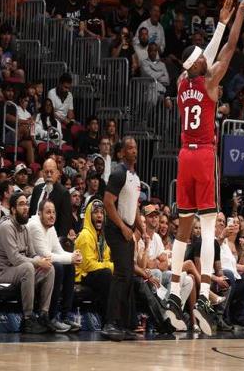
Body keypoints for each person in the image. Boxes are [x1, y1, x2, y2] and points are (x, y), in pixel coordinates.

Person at [166, 0, 244, 336]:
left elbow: (201, 57)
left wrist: (220, 22)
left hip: (184, 156)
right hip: (204, 155)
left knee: (182, 230)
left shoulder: (182, 84)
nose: (207, 58)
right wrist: (239, 13)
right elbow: (230, 47)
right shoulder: (209, 82)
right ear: (198, 65)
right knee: (208, 230)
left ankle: (173, 295)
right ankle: (205, 297)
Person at [0, 193, 55, 334]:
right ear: (13, 210)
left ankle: (43, 315)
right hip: (2, 272)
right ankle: (27, 319)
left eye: (26, 204)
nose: (26, 207)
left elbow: (32, 254)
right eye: (21, 204)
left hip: (19, 270)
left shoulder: (25, 228)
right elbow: (15, 258)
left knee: (49, 269)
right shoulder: (6, 227)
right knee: (28, 267)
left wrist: (42, 260)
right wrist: (37, 262)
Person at [101, 137, 142, 341]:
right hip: (116, 230)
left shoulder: (135, 177)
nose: (134, 150)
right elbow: (108, 203)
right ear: (122, 152)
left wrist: (140, 227)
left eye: (135, 147)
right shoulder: (118, 173)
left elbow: (134, 206)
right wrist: (123, 227)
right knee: (121, 274)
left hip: (128, 230)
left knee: (128, 276)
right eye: (130, 148)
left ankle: (124, 324)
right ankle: (110, 323)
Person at [27, 199, 83, 332]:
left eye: (53, 212)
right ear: (39, 213)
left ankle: (64, 316)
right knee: (57, 266)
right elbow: (46, 255)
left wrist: (73, 255)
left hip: (44, 266)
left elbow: (59, 251)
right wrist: (70, 258)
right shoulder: (34, 226)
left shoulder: (50, 227)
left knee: (69, 266)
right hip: (31, 267)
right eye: (48, 212)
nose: (52, 216)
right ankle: (51, 317)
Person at [75, 199, 113, 325]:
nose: (99, 215)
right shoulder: (85, 235)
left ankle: (121, 319)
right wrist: (111, 266)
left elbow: (106, 258)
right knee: (106, 274)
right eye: (96, 212)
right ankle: (107, 321)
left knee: (119, 276)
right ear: (88, 216)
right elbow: (88, 265)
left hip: (96, 273)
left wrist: (111, 267)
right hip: (83, 275)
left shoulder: (102, 237)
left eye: (102, 212)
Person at [29, 158, 72, 238]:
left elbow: (64, 223)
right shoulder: (37, 189)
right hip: (33, 235)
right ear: (42, 173)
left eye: (51, 172)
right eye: (46, 172)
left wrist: (59, 241)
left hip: (51, 238)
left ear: (57, 173)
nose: (49, 175)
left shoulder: (63, 193)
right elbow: (31, 213)